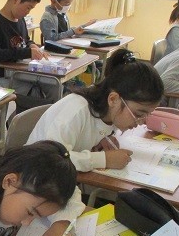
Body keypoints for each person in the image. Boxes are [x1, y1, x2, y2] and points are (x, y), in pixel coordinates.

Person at [27, 49, 164, 172]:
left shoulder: (109, 112)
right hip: (33, 178)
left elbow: (92, 129)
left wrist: (103, 137)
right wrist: (104, 159)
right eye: (139, 114)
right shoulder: (76, 110)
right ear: (113, 99)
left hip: (63, 180)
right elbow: (49, 160)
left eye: (147, 114)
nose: (142, 122)